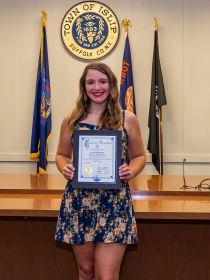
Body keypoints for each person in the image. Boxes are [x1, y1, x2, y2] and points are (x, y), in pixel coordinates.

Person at [55, 62, 146, 280]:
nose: (97, 87)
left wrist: (130, 171)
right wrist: (64, 167)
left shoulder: (127, 119)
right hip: (79, 202)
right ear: (83, 86)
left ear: (111, 85)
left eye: (102, 81)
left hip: (114, 203)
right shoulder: (72, 120)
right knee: (86, 271)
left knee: (106, 275)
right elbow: (61, 155)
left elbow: (140, 156)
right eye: (91, 82)